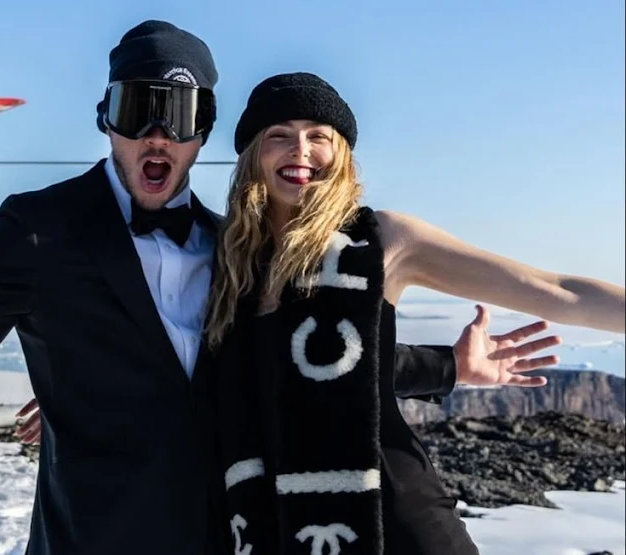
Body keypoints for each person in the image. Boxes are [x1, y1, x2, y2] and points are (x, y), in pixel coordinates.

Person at [0, 21, 562, 555]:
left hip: (228, 535)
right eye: (136, 110)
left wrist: (451, 366)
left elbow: (309, 356)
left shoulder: (236, 247)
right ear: (105, 119)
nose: (157, 134)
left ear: (204, 135)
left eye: (179, 117)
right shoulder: (41, 229)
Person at [209, 72, 626, 554]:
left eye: (318, 136)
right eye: (279, 136)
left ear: (340, 155)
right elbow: (309, 370)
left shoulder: (383, 241)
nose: (300, 150)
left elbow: (556, 291)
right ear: (252, 155)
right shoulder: (231, 266)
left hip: (399, 520)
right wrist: (447, 366)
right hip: (278, 529)